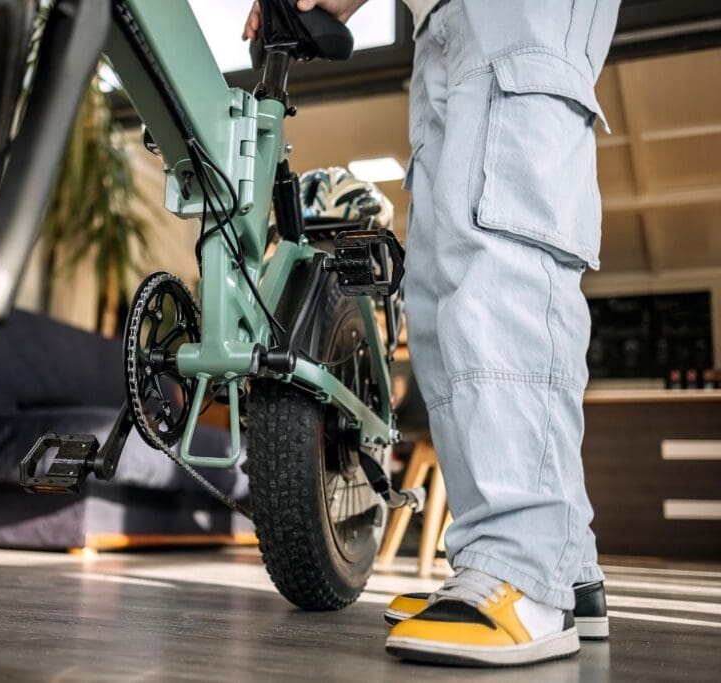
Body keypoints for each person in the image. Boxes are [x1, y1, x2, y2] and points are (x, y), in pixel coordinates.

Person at [245, 0, 620, 667]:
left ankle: (525, 572)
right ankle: (565, 569)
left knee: (498, 250)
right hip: (438, 18)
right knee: (442, 288)